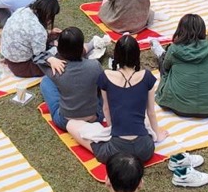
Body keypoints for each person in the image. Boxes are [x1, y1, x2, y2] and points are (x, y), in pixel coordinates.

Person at [67, 38, 168, 166]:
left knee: (71, 124)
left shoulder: (106, 76)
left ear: (117, 55)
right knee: (143, 120)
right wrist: (157, 135)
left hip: (116, 151)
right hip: (145, 149)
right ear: (137, 54)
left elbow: (106, 109)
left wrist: (111, 131)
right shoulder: (147, 76)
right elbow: (151, 112)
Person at [154, 14, 208, 117]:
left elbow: (166, 68)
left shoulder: (174, 48)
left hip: (178, 106)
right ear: (202, 30)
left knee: (165, 66)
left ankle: (160, 53)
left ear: (180, 29)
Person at [39, 27, 104, 131]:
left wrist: (50, 59)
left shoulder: (56, 71)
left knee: (46, 82)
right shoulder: (95, 65)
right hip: (95, 118)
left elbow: (37, 56)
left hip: (66, 122)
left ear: (59, 50)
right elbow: (103, 88)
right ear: (82, 49)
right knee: (101, 88)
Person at [0, 0, 60, 78]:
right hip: (22, 67)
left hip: (8, 57)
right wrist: (55, 51)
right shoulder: (38, 30)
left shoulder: (22, 10)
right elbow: (40, 57)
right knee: (60, 54)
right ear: (48, 15)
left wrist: (49, 33)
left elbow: (26, 33)